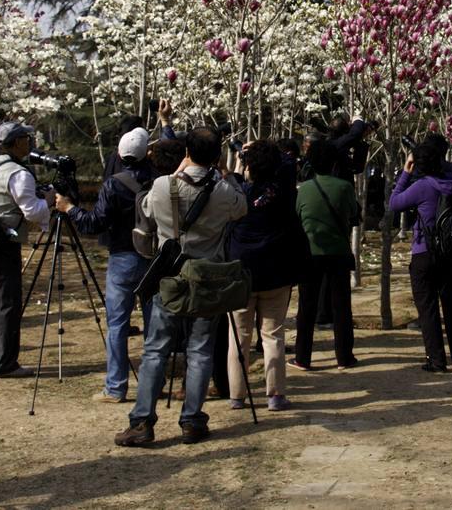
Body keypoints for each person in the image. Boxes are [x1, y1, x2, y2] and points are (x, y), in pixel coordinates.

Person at [114, 127, 247, 447]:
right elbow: (242, 208)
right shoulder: (223, 191)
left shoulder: (163, 186)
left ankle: (142, 421)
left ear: (187, 151)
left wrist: (176, 173)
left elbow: (144, 211)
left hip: (170, 279)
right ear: (216, 157)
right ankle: (191, 420)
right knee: (200, 351)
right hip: (207, 281)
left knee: (156, 351)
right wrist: (226, 176)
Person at [55, 128, 155, 403]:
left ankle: (115, 387)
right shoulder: (159, 181)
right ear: (147, 153)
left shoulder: (114, 184)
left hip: (122, 258)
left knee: (118, 326)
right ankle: (151, 386)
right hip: (153, 259)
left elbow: (93, 223)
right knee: (153, 328)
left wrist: (69, 208)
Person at [227, 140, 309, 412]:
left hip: (241, 271)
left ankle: (237, 395)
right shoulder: (283, 190)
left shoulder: (237, 192)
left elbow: (233, 184)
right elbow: (288, 163)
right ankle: (275, 394)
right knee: (273, 335)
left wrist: (241, 165)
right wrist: (267, 148)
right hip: (276, 271)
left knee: (239, 337)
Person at [0, 122, 53, 378]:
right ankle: (4, 363)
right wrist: (50, 199)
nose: (30, 142)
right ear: (16, 143)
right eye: (26, 138)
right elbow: (33, 211)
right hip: (4, 243)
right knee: (6, 303)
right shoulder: (18, 173)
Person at [390, 141, 452, 372]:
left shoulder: (421, 186)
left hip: (424, 252)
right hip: (451, 252)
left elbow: (394, 203)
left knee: (427, 308)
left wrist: (405, 173)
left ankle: (436, 360)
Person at [292, 138, 359, 370]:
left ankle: (302, 357)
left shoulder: (304, 189)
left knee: (306, 307)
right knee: (341, 307)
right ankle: (344, 357)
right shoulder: (344, 187)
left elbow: (298, 218)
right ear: (334, 163)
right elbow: (352, 215)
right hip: (338, 252)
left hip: (310, 253)